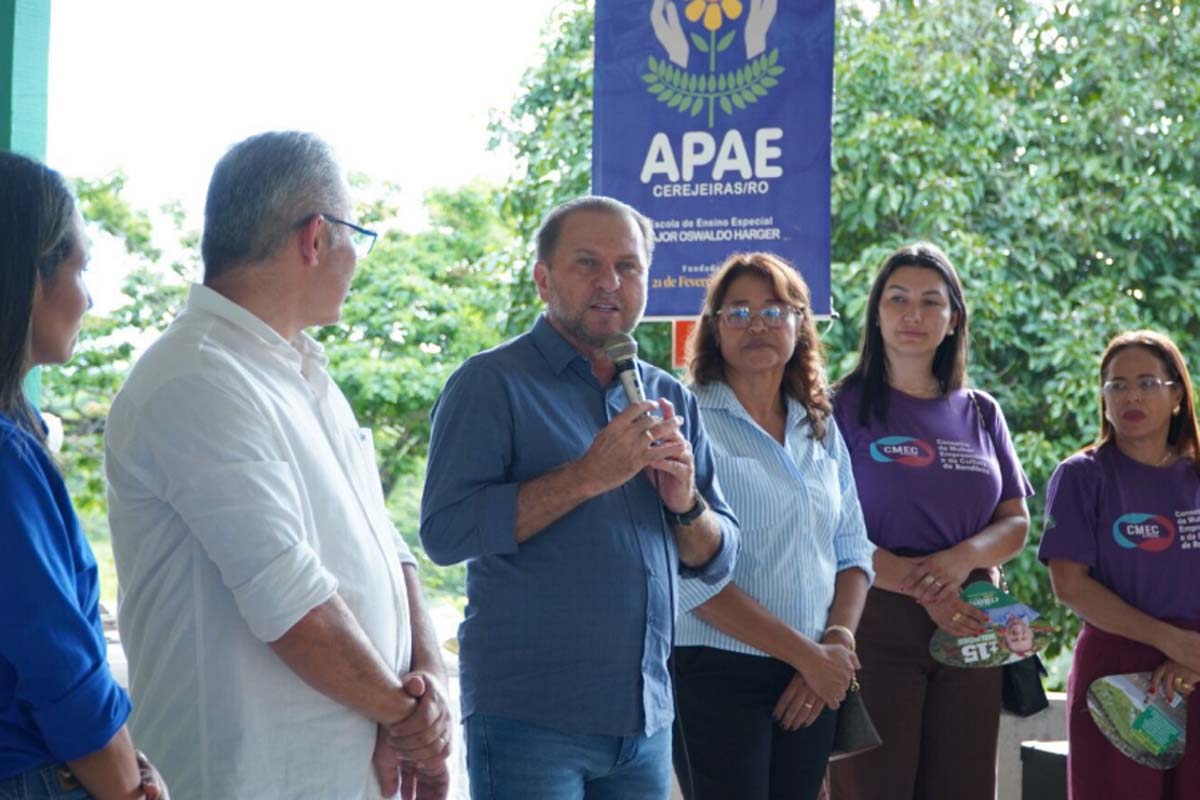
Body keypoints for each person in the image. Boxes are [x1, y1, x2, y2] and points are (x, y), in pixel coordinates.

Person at [105, 132, 449, 800]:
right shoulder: (198, 376)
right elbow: (289, 600)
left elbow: (385, 544)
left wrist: (427, 678)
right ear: (316, 238)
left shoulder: (305, 372)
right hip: (246, 778)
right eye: (357, 237)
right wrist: (406, 716)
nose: (357, 260)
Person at [420, 195, 739, 799]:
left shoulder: (671, 398)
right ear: (543, 280)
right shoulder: (489, 383)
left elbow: (717, 556)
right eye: (588, 263)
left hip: (645, 721)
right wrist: (588, 476)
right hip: (529, 720)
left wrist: (685, 506)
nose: (610, 283)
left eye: (628, 266)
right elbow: (445, 533)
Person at [829, 242, 1032, 800]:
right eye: (897, 299)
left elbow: (1015, 522)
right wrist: (924, 588)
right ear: (876, 313)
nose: (912, 314)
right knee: (871, 788)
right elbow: (821, 526)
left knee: (965, 786)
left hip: (973, 619)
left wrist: (960, 562)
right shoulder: (837, 407)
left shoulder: (982, 411)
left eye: (930, 301)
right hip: (872, 615)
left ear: (953, 318)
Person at [671, 252, 874, 800]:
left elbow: (854, 550)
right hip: (715, 670)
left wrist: (834, 645)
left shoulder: (818, 424)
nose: (757, 325)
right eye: (738, 312)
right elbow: (684, 577)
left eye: (774, 311)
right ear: (714, 328)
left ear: (800, 324)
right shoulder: (686, 419)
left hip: (814, 677)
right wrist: (808, 657)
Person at [0, 152, 166, 799]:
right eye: (80, 267)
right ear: (29, 274)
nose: (88, 297)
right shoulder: (7, 461)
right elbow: (59, 670)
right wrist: (127, 784)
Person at [1039, 330, 1200, 798]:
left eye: (1147, 383)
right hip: (1116, 672)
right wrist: (1172, 641)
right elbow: (1070, 586)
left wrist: (1192, 656)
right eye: (1117, 385)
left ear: (1177, 395)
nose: (1131, 396)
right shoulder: (1081, 476)